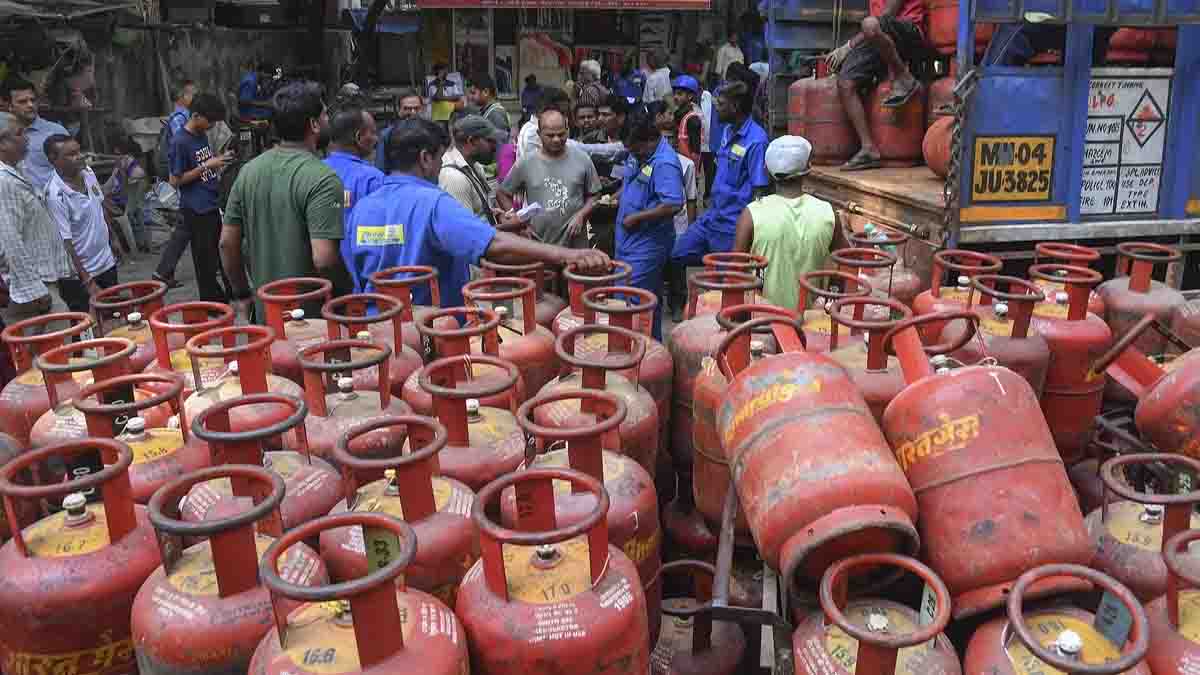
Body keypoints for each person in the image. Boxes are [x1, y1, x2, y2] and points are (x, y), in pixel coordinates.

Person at [345, 117, 610, 308]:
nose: (440, 166)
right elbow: (492, 244)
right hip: (433, 331)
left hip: (377, 329)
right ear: (425, 159)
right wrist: (568, 254)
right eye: (438, 158)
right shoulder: (433, 203)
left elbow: (354, 273)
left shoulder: (362, 208)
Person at [221, 81, 347, 322]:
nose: (328, 120)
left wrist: (242, 293)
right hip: (312, 323)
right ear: (313, 125)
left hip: (266, 318)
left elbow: (227, 244)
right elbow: (324, 258)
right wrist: (346, 292)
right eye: (324, 115)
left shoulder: (248, 172)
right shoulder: (322, 178)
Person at [671, 81, 768, 267]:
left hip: (732, 226)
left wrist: (746, 234)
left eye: (721, 104)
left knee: (724, 283)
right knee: (677, 254)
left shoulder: (756, 141)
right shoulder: (727, 131)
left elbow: (759, 194)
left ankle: (724, 264)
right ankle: (716, 263)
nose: (716, 109)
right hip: (711, 217)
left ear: (735, 106)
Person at [734, 136, 835, 310]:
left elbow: (735, 274)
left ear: (766, 171)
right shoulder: (828, 213)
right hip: (812, 322)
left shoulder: (751, 214)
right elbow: (846, 262)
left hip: (763, 323)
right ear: (808, 170)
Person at [824, 0, 925, 170]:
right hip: (877, 34)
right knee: (845, 82)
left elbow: (886, 15)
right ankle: (868, 149)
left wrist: (848, 47)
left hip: (909, 32)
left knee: (871, 24)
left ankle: (903, 77)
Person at [615, 107, 685, 340]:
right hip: (629, 241)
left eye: (635, 149)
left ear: (649, 140)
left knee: (630, 299)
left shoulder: (664, 163)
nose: (632, 154)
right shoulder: (640, 154)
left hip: (648, 244)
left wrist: (637, 217)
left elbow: (673, 204)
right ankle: (652, 349)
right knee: (648, 298)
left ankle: (632, 352)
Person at [154, 92, 231, 299]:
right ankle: (212, 303)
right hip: (196, 209)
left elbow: (202, 167)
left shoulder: (201, 135)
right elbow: (174, 180)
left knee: (221, 255)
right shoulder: (180, 142)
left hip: (211, 203)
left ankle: (229, 293)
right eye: (210, 121)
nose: (213, 125)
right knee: (205, 263)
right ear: (196, 115)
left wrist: (217, 163)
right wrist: (207, 165)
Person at [0, 114, 74, 324]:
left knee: (46, 349)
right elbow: (9, 239)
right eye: (19, 133)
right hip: (33, 287)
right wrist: (35, 291)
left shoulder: (18, 171)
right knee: (55, 346)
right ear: (2, 144)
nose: (26, 138)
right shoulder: (3, 182)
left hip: (41, 279)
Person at [498, 109, 601, 251]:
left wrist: (581, 215)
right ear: (539, 134)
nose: (556, 139)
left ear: (568, 130)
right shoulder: (527, 162)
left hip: (575, 246)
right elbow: (502, 193)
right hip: (539, 245)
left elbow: (595, 195)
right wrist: (517, 221)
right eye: (550, 135)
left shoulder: (582, 159)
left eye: (561, 134)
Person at [44, 134, 120, 312]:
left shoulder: (87, 172)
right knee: (88, 326)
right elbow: (66, 243)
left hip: (106, 262)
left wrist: (113, 238)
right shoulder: (55, 194)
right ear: (53, 160)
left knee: (115, 314)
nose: (79, 157)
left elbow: (100, 206)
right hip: (82, 273)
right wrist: (87, 281)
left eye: (79, 151)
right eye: (71, 154)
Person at [324, 103, 384, 267]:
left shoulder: (315, 172)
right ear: (359, 138)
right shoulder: (373, 179)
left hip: (319, 279)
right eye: (373, 133)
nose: (376, 139)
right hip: (358, 279)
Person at [4, 78, 69, 193]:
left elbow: (73, 171)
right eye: (22, 102)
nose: (30, 105)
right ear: (9, 106)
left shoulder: (56, 132)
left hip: (54, 205)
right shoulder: (5, 137)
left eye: (33, 100)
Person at [439, 115, 504, 222]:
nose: (495, 145)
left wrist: (496, 215)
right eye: (490, 141)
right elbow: (464, 234)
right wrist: (510, 226)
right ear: (472, 141)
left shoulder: (475, 166)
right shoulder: (454, 178)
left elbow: (478, 214)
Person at [671, 75, 705, 197]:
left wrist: (692, 175)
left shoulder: (693, 119)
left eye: (679, 94)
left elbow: (695, 150)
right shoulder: (682, 115)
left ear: (690, 96)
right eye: (674, 94)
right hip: (681, 166)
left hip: (688, 170)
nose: (675, 97)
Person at [375, 88, 424, 170]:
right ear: (398, 110)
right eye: (407, 108)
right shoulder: (386, 135)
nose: (413, 112)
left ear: (422, 109)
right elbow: (380, 168)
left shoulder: (431, 133)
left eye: (416, 108)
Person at [468, 72, 511, 139]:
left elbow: (500, 144)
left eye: (473, 93)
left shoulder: (496, 113)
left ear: (486, 92)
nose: (469, 97)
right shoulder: (486, 110)